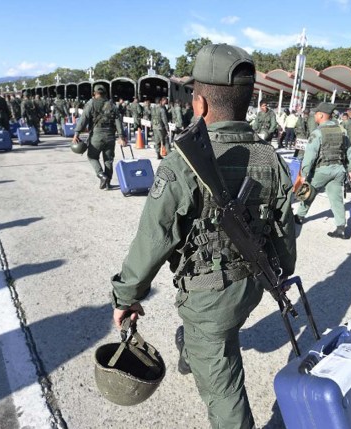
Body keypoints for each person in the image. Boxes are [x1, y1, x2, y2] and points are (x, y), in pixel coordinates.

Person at [110, 43, 296, 429]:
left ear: (200, 104)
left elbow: (154, 237)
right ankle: (196, 349)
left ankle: (203, 357)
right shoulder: (271, 158)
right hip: (252, 286)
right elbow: (284, 234)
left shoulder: (183, 164)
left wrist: (126, 296)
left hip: (210, 297)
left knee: (225, 391)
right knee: (211, 338)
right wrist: (279, 276)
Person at [295, 102, 351, 238]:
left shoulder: (317, 133)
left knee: (308, 192)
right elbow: (349, 151)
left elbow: (310, 155)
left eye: (316, 113)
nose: (314, 116)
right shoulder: (342, 130)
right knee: (337, 199)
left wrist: (304, 173)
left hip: (321, 170)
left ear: (321, 115)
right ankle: (341, 227)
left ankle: (299, 216)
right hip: (339, 170)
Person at [72, 84, 125, 190]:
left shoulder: (91, 103)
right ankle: (108, 183)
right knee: (108, 160)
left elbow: (83, 119)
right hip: (110, 136)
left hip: (96, 136)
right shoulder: (112, 104)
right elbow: (118, 121)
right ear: (105, 93)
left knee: (92, 157)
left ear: (94, 93)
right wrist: (121, 136)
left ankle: (101, 175)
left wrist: (76, 133)